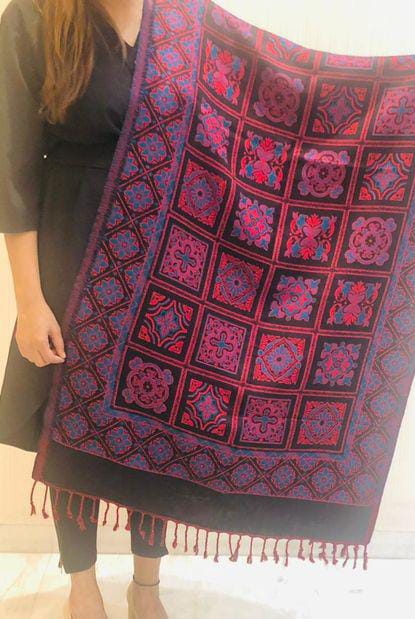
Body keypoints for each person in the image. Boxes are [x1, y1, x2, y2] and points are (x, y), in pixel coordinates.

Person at [0, 1, 169, 617]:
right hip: (73, 249)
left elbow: (271, 98)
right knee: (72, 423)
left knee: (155, 427)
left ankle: (146, 585)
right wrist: (28, 301)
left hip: (166, 256)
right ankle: (83, 585)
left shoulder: (186, 21)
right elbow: (12, 169)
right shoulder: (35, 18)